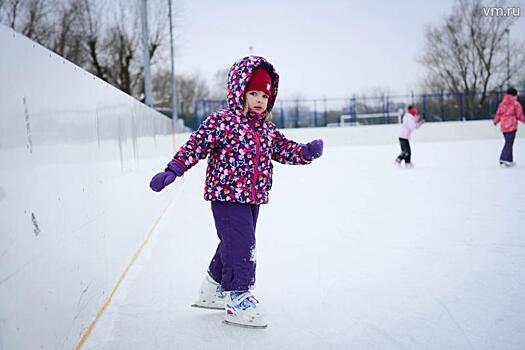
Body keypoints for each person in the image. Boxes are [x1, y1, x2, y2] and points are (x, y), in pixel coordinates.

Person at [149, 56, 324, 328]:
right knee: (242, 246)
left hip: (253, 197)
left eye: (264, 95)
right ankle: (238, 298)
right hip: (227, 196)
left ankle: (211, 289)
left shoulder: (266, 129)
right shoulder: (223, 122)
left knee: (233, 243)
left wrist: (305, 152)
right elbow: (195, 145)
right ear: (239, 91)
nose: (259, 100)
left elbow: (284, 149)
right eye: (253, 93)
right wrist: (173, 169)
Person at [493, 87, 525, 167]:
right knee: (509, 142)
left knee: (509, 142)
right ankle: (503, 158)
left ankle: (509, 160)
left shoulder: (502, 104)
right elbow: (519, 115)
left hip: (504, 126)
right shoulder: (516, 104)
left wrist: (496, 121)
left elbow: (498, 113)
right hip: (511, 126)